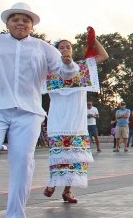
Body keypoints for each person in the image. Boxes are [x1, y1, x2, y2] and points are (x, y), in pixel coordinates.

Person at [0, 3, 78, 218]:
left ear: (32, 25)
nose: (20, 23)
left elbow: (66, 75)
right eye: (15, 19)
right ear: (7, 23)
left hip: (28, 111)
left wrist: (69, 64)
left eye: (26, 20)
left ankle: (15, 213)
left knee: (22, 159)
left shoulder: (43, 48)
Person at [42, 32, 109, 203]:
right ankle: (52, 184)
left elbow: (103, 55)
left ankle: (67, 191)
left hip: (77, 121)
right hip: (58, 120)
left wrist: (93, 41)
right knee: (59, 155)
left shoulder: (82, 69)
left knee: (75, 157)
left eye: (68, 47)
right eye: (61, 47)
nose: (65, 49)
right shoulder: (48, 72)